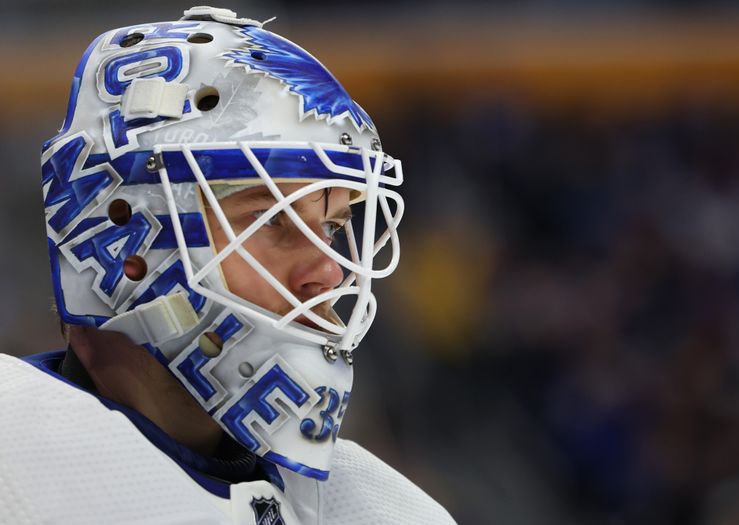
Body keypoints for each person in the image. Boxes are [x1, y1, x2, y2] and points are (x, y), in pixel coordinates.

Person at [0, 6, 456, 524]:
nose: (330, 273)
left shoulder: (386, 509)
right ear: (127, 239)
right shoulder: (16, 464)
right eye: (270, 219)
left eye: (330, 227)